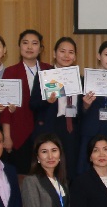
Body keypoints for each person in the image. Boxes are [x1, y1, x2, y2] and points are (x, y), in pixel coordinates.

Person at [1, 29, 52, 172]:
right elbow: (5, 109)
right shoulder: (11, 72)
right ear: (19, 46)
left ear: (40, 48)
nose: (29, 47)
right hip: (19, 132)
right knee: (21, 174)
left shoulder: (49, 70)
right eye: (25, 43)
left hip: (45, 131)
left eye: (34, 43)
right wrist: (6, 136)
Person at [30, 36, 81, 179]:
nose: (66, 55)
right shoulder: (44, 76)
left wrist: (87, 105)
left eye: (71, 52)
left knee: (71, 171)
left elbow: (82, 110)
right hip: (51, 128)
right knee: (50, 171)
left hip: (72, 129)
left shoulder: (80, 79)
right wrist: (47, 101)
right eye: (62, 51)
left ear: (75, 56)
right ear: (54, 53)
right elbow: (33, 104)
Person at [78, 40, 107, 175]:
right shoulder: (85, 80)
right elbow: (77, 111)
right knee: (86, 172)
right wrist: (85, 106)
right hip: (90, 130)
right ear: (99, 56)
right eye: (106, 55)